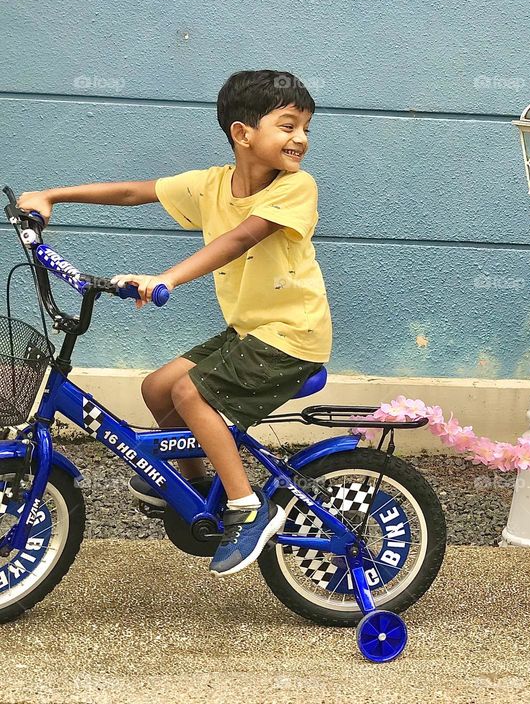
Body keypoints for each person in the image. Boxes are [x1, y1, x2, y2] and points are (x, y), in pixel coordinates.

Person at [17, 70, 331, 577]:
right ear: (242, 133)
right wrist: (51, 196)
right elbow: (132, 193)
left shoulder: (297, 188)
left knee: (191, 393)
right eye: (289, 126)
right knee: (158, 388)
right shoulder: (212, 185)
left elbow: (238, 240)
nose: (301, 139)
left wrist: (167, 278)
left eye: (305, 128)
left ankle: (246, 507)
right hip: (250, 331)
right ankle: (191, 483)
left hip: (293, 337)